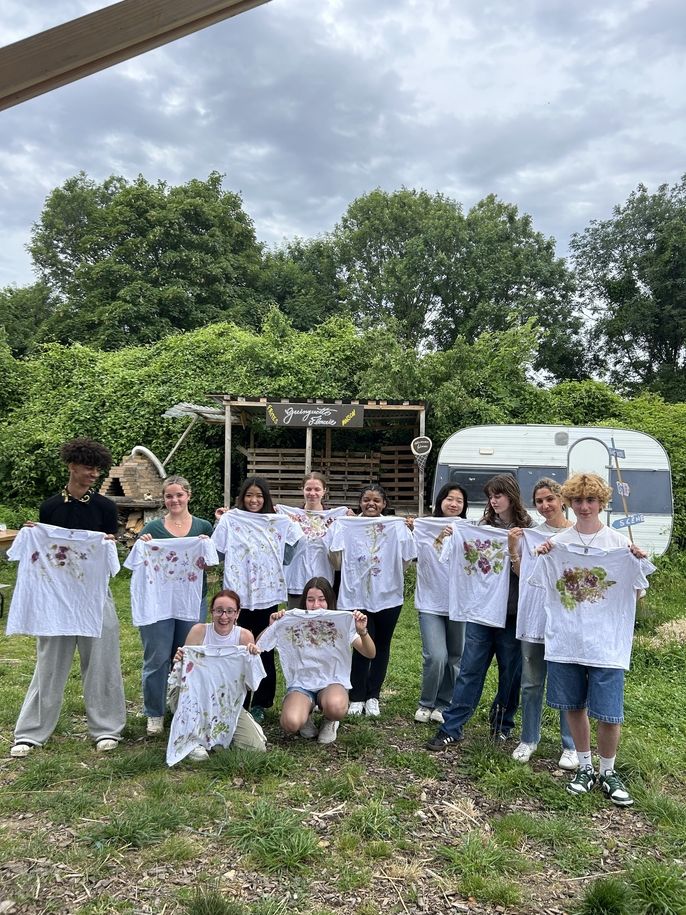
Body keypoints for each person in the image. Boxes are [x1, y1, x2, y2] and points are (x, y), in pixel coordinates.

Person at [531, 472, 653, 807]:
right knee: (573, 705)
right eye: (578, 500)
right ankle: (585, 766)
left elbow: (638, 593)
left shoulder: (618, 544)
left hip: (606, 643)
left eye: (591, 500)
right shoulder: (557, 546)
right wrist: (542, 554)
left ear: (602, 503)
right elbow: (537, 581)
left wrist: (637, 561)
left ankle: (608, 771)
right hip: (566, 640)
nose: (585, 507)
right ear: (569, 503)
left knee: (609, 712)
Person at [10, 437, 126, 757]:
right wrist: (34, 533)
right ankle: (31, 732)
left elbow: (109, 556)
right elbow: (45, 552)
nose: (94, 475)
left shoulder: (105, 507)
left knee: (102, 663)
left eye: (98, 470)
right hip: (55, 600)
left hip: (94, 597)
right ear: (73, 467)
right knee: (48, 665)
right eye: (89, 468)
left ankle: (106, 728)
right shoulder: (50, 507)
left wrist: (107, 543)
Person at [426, 473, 532, 751]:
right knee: (470, 671)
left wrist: (515, 548)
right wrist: (451, 536)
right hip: (481, 614)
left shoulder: (527, 529)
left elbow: (533, 574)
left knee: (511, 675)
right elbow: (448, 554)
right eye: (490, 496)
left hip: (512, 614)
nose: (493, 501)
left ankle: (501, 726)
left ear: (511, 495)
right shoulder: (481, 526)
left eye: (498, 495)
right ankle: (451, 727)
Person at [211, 475, 303, 724]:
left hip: (266, 594)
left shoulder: (277, 522)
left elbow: (296, 542)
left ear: (266, 499)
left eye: (259, 496)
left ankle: (261, 702)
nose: (254, 500)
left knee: (263, 648)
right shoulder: (231, 520)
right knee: (236, 647)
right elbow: (216, 551)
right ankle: (235, 700)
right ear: (242, 497)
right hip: (237, 595)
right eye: (249, 495)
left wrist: (282, 557)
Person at [131, 475, 215, 737]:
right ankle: (154, 713)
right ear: (163, 499)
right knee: (156, 658)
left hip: (192, 601)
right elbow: (135, 562)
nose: (174, 500)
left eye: (179, 495)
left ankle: (183, 707)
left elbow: (213, 563)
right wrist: (141, 545)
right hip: (157, 604)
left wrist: (206, 544)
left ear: (188, 495)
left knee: (189, 656)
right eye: (169, 496)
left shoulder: (203, 526)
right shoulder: (152, 530)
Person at [328, 483, 417, 717]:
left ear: (384, 504)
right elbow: (335, 557)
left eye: (376, 500)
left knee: (382, 646)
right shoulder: (347, 525)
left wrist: (391, 575)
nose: (371, 503)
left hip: (388, 596)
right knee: (359, 644)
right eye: (366, 499)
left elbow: (407, 558)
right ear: (360, 502)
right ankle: (356, 696)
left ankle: (373, 695)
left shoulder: (396, 527)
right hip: (356, 595)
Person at [509, 478, 578, 769]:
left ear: (562, 499)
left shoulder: (577, 535)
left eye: (550, 499)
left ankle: (571, 745)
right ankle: (528, 739)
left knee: (566, 684)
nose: (545, 505)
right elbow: (520, 573)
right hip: (534, 616)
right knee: (531, 682)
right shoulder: (530, 535)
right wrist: (514, 547)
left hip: (567, 620)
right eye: (539, 501)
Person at [258, 577, 375, 745]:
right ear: (304, 601)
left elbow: (370, 653)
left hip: (332, 682)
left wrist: (363, 631)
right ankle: (305, 713)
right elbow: (259, 646)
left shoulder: (340, 621)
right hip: (301, 683)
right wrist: (272, 626)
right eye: (310, 600)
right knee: (290, 723)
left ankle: (330, 720)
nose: (316, 605)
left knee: (336, 707)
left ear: (330, 601)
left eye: (322, 600)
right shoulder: (291, 620)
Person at [169, 589, 267, 761]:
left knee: (255, 747)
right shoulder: (199, 632)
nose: (224, 616)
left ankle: (232, 725)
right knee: (187, 702)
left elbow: (252, 684)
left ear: (237, 613)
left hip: (226, 701)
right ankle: (193, 739)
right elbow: (184, 676)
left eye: (230, 611)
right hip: (194, 698)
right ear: (212, 612)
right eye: (219, 610)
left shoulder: (244, 637)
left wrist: (253, 659)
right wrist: (179, 660)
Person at [412, 484, 468, 724]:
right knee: (436, 656)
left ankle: (444, 704)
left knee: (456, 657)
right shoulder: (424, 526)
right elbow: (419, 553)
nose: (454, 504)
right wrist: (438, 536)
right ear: (439, 501)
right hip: (430, 602)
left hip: (460, 604)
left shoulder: (469, 529)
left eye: (459, 500)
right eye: (449, 498)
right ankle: (426, 702)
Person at [276, 473, 348, 609]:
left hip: (324, 584)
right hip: (296, 582)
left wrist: (353, 517)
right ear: (302, 489)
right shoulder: (287, 516)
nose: (312, 493)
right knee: (296, 625)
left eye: (317, 489)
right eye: (308, 489)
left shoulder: (337, 518)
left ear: (324, 491)